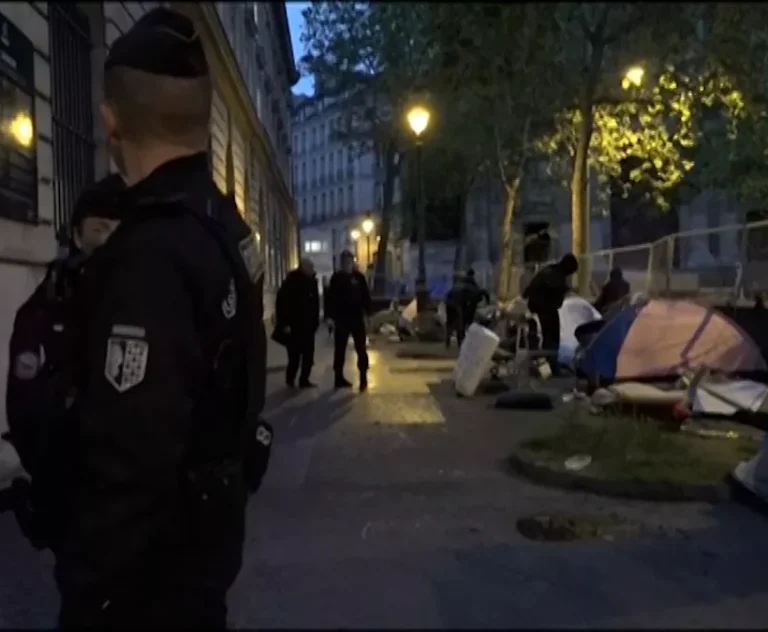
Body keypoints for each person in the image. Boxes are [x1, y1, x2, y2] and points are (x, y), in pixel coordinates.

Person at [53, 9, 267, 628]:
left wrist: (85, 592)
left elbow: (131, 461)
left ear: (110, 121)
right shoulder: (227, 228)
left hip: (148, 591)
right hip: (204, 562)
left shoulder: (150, 252)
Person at [4, 175, 125, 551]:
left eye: (119, 231)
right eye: (99, 229)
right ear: (77, 235)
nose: (108, 241)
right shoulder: (47, 306)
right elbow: (24, 404)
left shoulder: (147, 299)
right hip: (73, 489)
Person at [523, 253, 579, 375]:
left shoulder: (549, 270)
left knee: (545, 339)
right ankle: (552, 367)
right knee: (552, 338)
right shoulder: (558, 277)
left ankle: (544, 367)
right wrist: (564, 292)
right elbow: (556, 301)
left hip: (535, 309)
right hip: (545, 310)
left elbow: (528, 291)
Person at [326, 249, 371, 391]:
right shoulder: (336, 278)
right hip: (341, 318)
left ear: (352, 262)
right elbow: (330, 299)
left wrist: (368, 314)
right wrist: (329, 317)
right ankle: (338, 377)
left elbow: (365, 296)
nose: (347, 264)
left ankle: (363, 376)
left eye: (349, 261)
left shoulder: (359, 277)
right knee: (340, 349)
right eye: (344, 262)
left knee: (361, 348)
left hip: (356, 317)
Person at [276, 258, 320, 388]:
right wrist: (284, 323)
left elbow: (315, 303)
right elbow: (282, 303)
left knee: (308, 356)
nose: (312, 270)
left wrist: (316, 321)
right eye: (310, 267)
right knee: (294, 356)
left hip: (309, 326)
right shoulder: (291, 282)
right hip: (294, 326)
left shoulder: (312, 282)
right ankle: (290, 379)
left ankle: (304, 379)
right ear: (303, 267)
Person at [445, 274, 466, 348]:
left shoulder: (452, 289)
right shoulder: (461, 288)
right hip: (456, 308)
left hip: (450, 309)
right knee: (458, 327)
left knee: (450, 326)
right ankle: (459, 344)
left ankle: (448, 342)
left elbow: (447, 299)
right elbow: (463, 300)